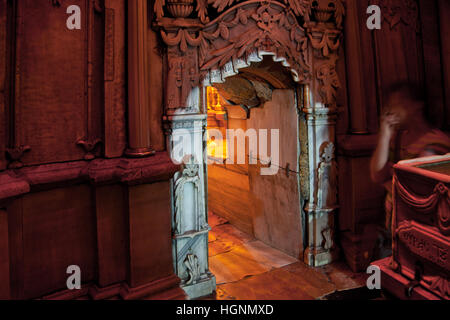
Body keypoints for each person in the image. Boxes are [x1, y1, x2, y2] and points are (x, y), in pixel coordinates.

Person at [370, 83, 450, 232]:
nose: (391, 111)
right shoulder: (398, 137)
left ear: (416, 106)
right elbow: (377, 175)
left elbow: (416, 190)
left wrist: (391, 179)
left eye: (396, 105)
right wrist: (385, 135)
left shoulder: (436, 141)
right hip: (393, 221)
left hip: (419, 227)